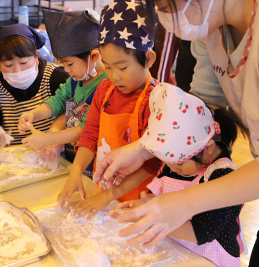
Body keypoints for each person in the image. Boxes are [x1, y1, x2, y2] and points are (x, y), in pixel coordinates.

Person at [92, 0, 259, 263]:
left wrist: (183, 203)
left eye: (162, 4)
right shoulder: (210, 29)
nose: (160, 14)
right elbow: (203, 106)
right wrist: (142, 149)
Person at [115, 83, 247, 266]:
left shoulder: (223, 176)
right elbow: (162, 193)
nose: (173, 169)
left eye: (180, 164)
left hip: (211, 258)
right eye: (169, 163)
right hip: (179, 249)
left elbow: (201, 232)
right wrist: (145, 205)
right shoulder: (177, 160)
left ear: (208, 148)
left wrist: (152, 218)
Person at [57, 0, 162, 213]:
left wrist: (107, 196)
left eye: (122, 67)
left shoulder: (157, 100)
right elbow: (90, 133)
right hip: (103, 193)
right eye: (108, 66)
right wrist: (75, 172)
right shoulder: (105, 89)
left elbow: (152, 163)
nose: (114, 76)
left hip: (139, 201)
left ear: (148, 59)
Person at [18, 9, 107, 165]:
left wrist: (47, 138)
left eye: (70, 63)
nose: (66, 69)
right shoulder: (75, 80)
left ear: (94, 56)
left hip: (95, 162)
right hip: (72, 157)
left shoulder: (106, 86)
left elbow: (86, 129)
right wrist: (33, 114)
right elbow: (57, 101)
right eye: (63, 63)